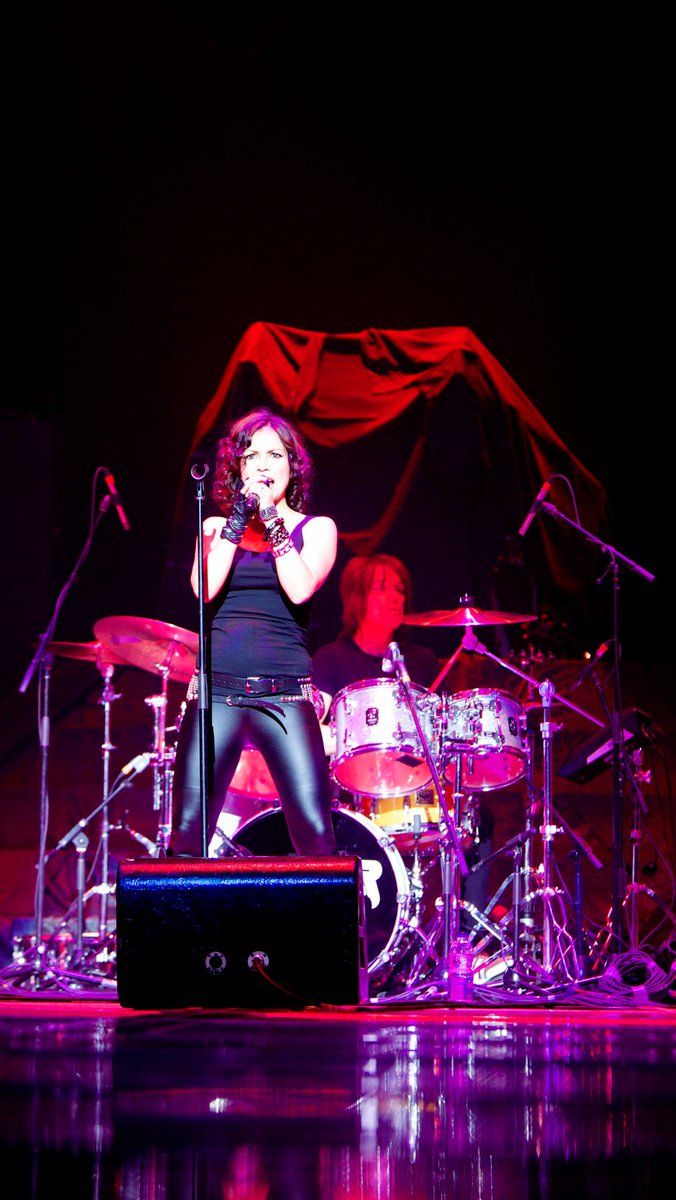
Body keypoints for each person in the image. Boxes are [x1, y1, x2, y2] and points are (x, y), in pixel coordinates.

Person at [171, 407, 338, 857]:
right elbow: (203, 589)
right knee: (187, 834)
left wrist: (272, 518)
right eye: (251, 456)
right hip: (216, 695)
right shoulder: (214, 527)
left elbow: (300, 588)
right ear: (239, 468)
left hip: (285, 695)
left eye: (274, 455)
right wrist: (239, 519)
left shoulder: (316, 529)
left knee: (315, 835)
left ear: (292, 466)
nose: (263, 465)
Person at [311, 554, 494, 925]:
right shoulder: (331, 659)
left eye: (399, 589)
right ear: (357, 598)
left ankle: (469, 930)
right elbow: (312, 728)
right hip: (354, 796)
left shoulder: (421, 661)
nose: (396, 597)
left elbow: (441, 732)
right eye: (383, 588)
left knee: (478, 819)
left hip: (417, 787)